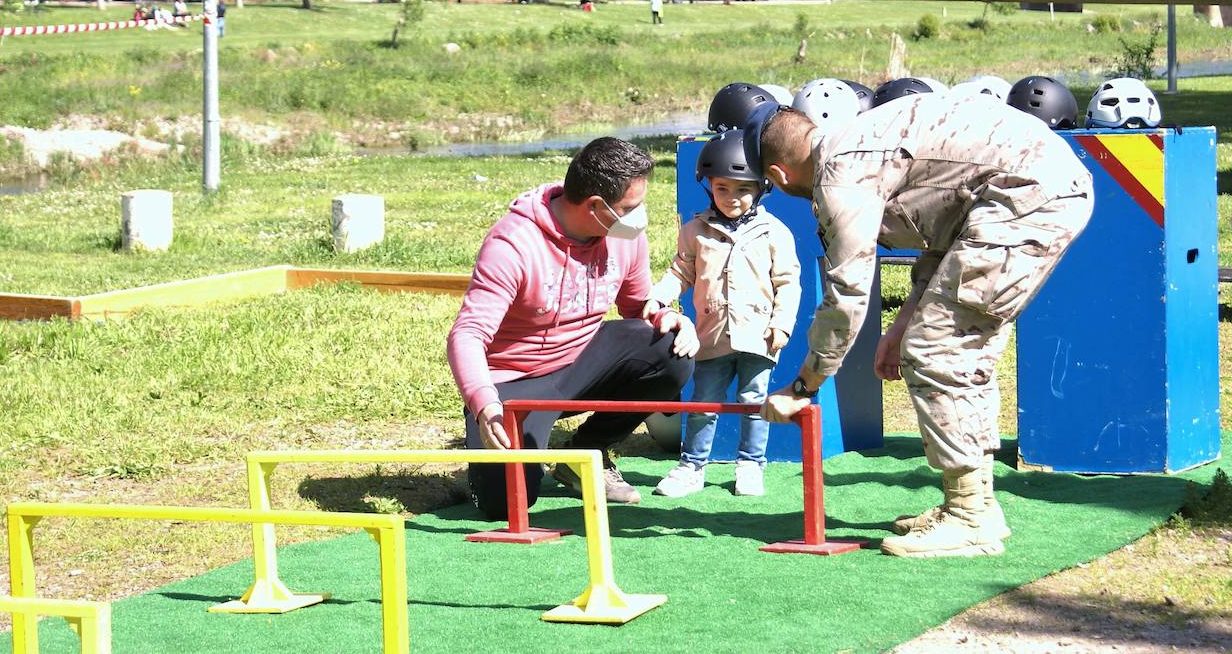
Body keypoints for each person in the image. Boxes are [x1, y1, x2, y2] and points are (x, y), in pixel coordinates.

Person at [744, 94, 1093, 558]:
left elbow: (847, 293)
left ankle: (969, 518)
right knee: (944, 343)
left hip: (1030, 198)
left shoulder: (840, 174)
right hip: (1032, 189)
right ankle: (975, 503)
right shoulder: (862, 138)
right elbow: (948, 228)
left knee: (939, 350)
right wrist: (903, 322)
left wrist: (804, 385)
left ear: (777, 176)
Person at [447, 137, 700, 517]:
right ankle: (487, 470)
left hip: (582, 360)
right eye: (630, 207)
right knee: (507, 506)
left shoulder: (624, 236)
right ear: (595, 206)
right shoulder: (513, 244)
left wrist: (670, 317)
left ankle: (589, 453)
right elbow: (467, 335)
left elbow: (636, 308)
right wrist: (484, 404)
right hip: (514, 384)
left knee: (670, 351)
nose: (640, 216)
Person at [644, 130, 801, 499]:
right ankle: (691, 466)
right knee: (703, 402)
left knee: (753, 401)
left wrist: (782, 324)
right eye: (722, 188)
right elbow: (680, 272)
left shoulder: (774, 232)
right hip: (711, 335)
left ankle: (750, 464)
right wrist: (659, 297)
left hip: (759, 334)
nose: (732, 198)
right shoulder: (695, 230)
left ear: (762, 188)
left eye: (743, 189)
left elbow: (788, 283)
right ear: (709, 187)